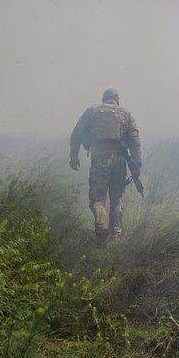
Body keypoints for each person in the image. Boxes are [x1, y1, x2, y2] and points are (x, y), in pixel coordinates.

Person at [69, 89, 142, 245]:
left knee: (97, 199)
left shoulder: (92, 111)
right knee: (117, 198)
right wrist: (136, 166)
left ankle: (101, 226)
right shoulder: (126, 114)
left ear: (103, 99)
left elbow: (76, 134)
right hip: (120, 160)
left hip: (100, 159)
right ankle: (116, 236)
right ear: (117, 100)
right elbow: (135, 141)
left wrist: (73, 156)